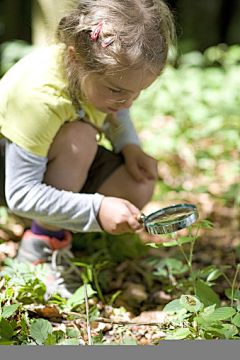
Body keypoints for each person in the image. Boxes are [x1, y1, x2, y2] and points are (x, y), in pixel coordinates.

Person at [0, 0, 176, 299]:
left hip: (55, 160)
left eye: (138, 92)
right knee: (80, 137)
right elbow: (21, 193)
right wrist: (96, 209)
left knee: (137, 185)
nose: (128, 102)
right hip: (11, 171)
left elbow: (119, 112)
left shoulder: (104, 79)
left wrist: (129, 146)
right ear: (75, 59)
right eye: (118, 91)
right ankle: (42, 245)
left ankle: (59, 222)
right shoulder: (39, 97)